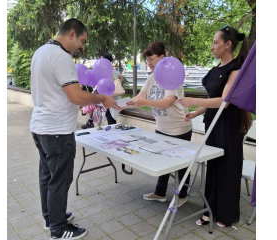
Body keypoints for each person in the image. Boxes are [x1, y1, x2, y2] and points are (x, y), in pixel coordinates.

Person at [30, 18, 117, 240]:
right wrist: (102, 98)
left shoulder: (41, 51)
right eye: (82, 41)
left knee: (48, 176)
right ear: (71, 34)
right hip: (57, 130)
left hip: (41, 127)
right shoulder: (61, 57)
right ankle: (58, 230)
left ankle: (51, 218)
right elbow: (77, 96)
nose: (83, 47)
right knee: (60, 179)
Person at [178, 25, 252, 228]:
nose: (212, 46)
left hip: (228, 127)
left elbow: (224, 101)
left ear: (228, 45)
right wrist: (196, 111)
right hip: (212, 124)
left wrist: (192, 99)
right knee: (212, 168)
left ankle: (226, 215)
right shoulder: (214, 70)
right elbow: (212, 99)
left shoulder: (235, 69)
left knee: (227, 170)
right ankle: (210, 211)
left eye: (215, 42)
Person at [122, 42, 192, 207]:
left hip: (179, 129)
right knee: (162, 161)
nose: (149, 63)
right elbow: (140, 96)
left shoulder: (172, 76)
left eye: (152, 59)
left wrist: (144, 102)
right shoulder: (151, 78)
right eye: (147, 60)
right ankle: (160, 193)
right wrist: (125, 103)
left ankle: (182, 195)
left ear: (162, 57)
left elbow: (167, 102)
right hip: (162, 128)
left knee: (181, 165)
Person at [101, 52, 124, 125]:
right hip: (114, 96)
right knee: (111, 117)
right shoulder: (112, 69)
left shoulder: (106, 70)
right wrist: (118, 83)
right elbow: (121, 76)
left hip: (110, 97)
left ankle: (113, 134)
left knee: (111, 118)